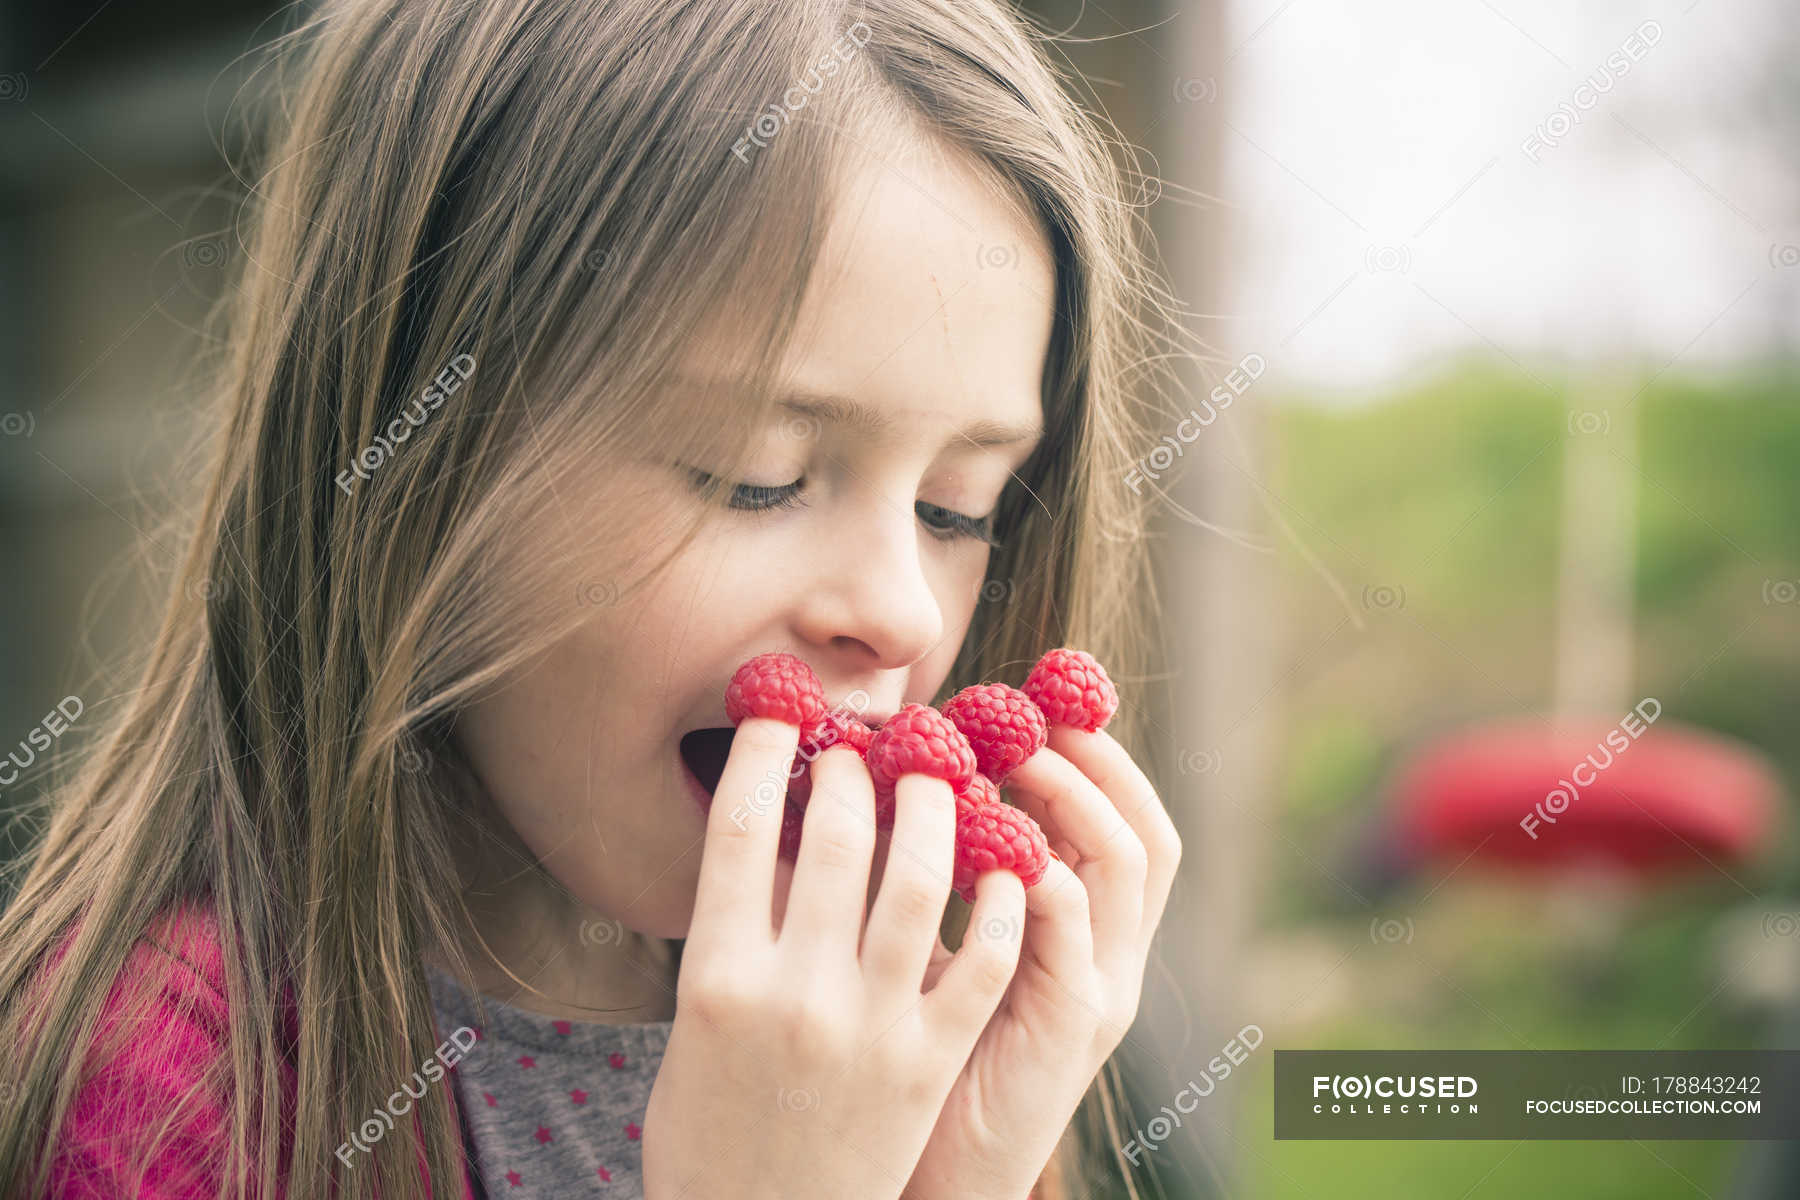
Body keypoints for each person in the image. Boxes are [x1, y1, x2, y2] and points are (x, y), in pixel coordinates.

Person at [0, 0, 1197, 1195]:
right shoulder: (162, 1098)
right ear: (419, 450)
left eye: (957, 509)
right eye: (756, 478)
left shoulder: (910, 1039)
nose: (904, 613)